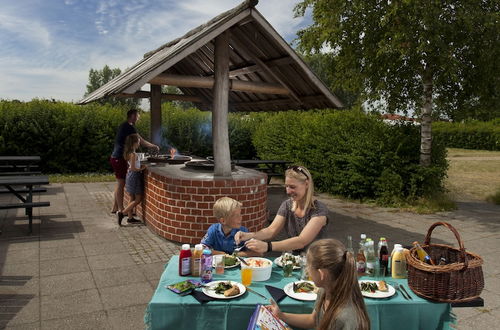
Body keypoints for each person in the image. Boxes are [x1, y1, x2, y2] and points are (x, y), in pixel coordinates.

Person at [268, 239, 370, 330]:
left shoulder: (347, 318)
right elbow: (313, 320)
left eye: (309, 267)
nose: (307, 271)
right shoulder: (325, 290)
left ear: (321, 274)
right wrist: (281, 315)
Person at [235, 165, 328, 254]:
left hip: (313, 261)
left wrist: (268, 246)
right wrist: (249, 235)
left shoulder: (319, 210)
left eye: (292, 187)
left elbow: (301, 241)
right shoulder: (287, 205)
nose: (288, 191)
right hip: (290, 259)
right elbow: (271, 230)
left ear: (306, 184)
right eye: (286, 186)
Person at [109, 109, 159, 214]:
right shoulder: (129, 127)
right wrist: (154, 146)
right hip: (119, 158)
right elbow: (141, 141)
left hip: (116, 157)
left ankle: (115, 207)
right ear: (133, 116)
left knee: (119, 183)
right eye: (138, 115)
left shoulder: (125, 125)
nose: (139, 117)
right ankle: (121, 210)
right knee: (120, 183)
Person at [117, 134, 146, 225]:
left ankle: (130, 218)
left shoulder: (129, 153)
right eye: (138, 141)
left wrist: (139, 166)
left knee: (131, 197)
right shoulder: (133, 154)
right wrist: (142, 168)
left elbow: (131, 167)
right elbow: (133, 168)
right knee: (138, 199)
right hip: (134, 176)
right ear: (134, 143)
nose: (139, 143)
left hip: (130, 176)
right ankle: (122, 213)